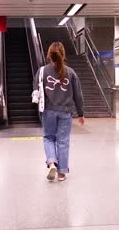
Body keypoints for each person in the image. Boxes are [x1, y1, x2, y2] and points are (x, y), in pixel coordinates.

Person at [34, 41, 85, 182]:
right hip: (65, 112)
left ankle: (51, 163)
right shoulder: (71, 72)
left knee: (49, 137)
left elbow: (36, 91)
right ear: (63, 54)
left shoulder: (42, 71)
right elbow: (78, 95)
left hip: (49, 111)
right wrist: (81, 113)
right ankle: (62, 173)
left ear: (49, 54)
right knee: (63, 141)